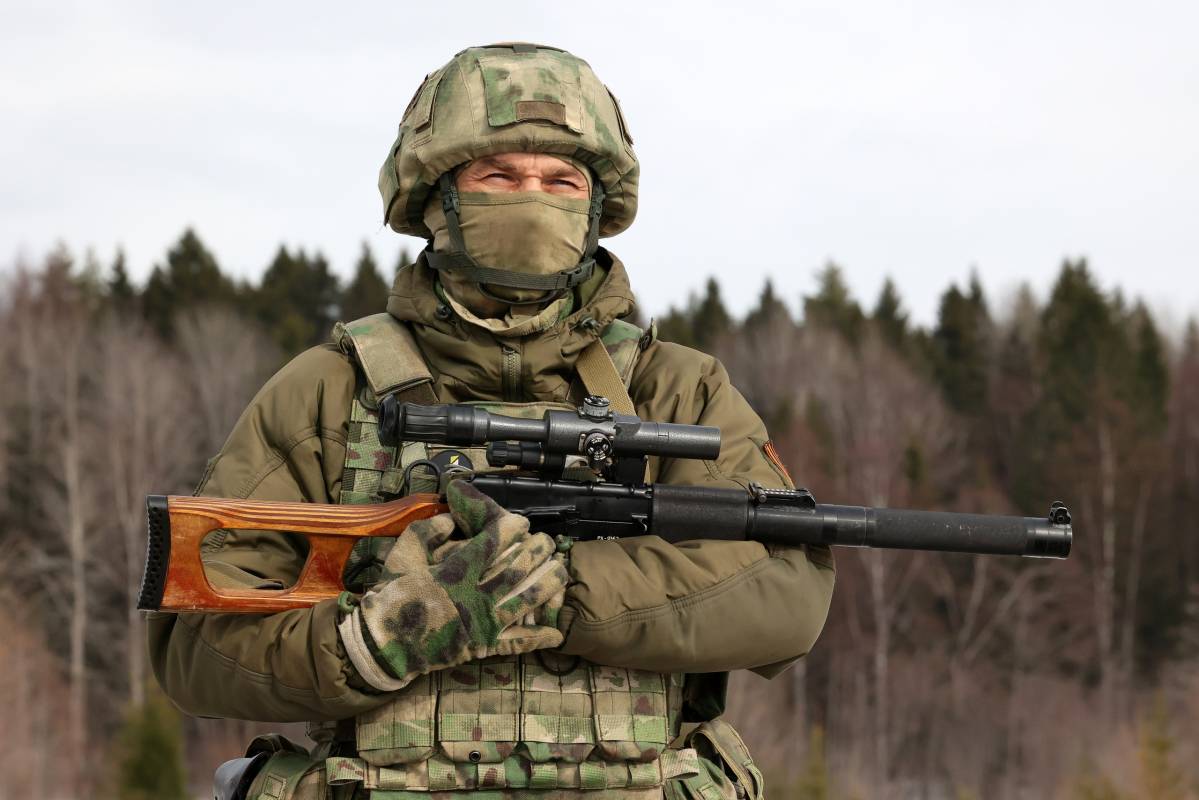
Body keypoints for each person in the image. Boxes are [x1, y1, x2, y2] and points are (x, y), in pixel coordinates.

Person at [149, 42, 835, 800]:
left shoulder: (675, 389)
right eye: (498, 176)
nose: (531, 200)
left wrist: (554, 590)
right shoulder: (330, 391)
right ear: (435, 199)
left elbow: (783, 593)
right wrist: (383, 636)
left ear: (596, 211)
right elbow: (195, 647)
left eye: (561, 181)